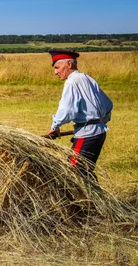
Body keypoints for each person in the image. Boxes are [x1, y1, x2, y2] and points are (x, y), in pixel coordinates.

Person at [46, 50, 113, 181]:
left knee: (72, 173)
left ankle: (87, 200)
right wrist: (100, 121)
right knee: (84, 172)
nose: (55, 72)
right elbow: (108, 104)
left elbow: (67, 110)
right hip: (98, 132)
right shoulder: (87, 78)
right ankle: (96, 200)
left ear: (69, 64)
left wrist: (55, 127)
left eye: (57, 68)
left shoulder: (71, 82)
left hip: (87, 135)